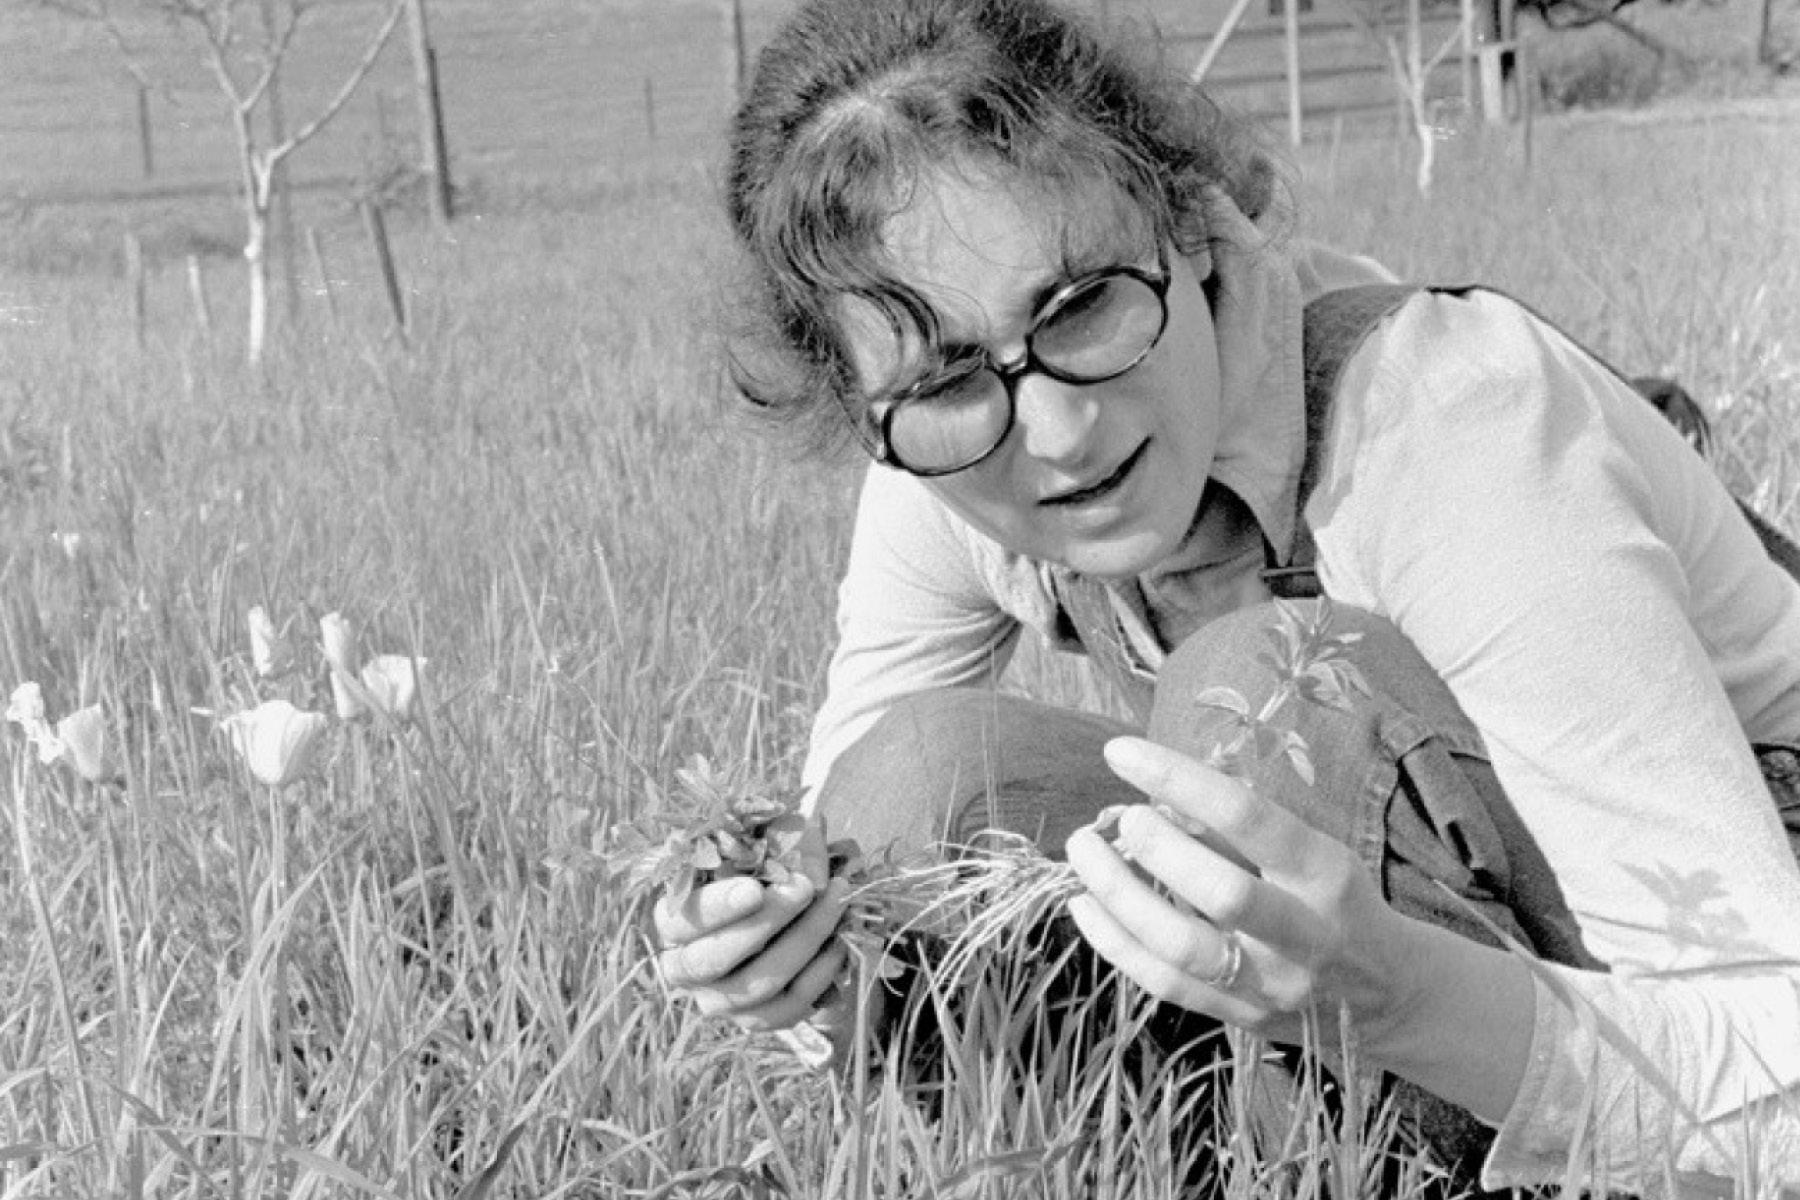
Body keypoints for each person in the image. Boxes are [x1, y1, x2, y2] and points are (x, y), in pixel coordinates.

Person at [651, 0, 1800, 1193]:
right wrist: (792, 961)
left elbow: (1783, 1078)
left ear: (1193, 227)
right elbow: (851, 870)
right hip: (1456, 957)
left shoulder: (1449, 428)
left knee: (1263, 696)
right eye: (944, 382)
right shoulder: (941, 464)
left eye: (1082, 303)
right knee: (905, 794)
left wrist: (1401, 999)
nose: (1059, 434)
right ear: (865, 412)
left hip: (1729, 961)